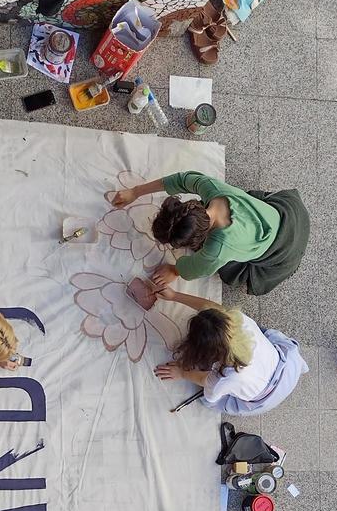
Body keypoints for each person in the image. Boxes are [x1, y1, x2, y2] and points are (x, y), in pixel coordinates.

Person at [109, 171, 309, 296]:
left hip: (284, 249)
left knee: (229, 271)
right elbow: (179, 179)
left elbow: (196, 269)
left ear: (200, 241)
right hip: (290, 213)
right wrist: (135, 192)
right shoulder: (210, 188)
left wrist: (175, 269)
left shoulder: (218, 246)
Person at [153, 289, 308, 415]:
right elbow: (212, 308)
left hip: (266, 397)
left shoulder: (225, 377)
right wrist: (174, 295)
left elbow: (208, 388)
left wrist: (183, 373)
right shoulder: (238, 319)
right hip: (290, 363)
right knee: (265, 333)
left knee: (211, 401)